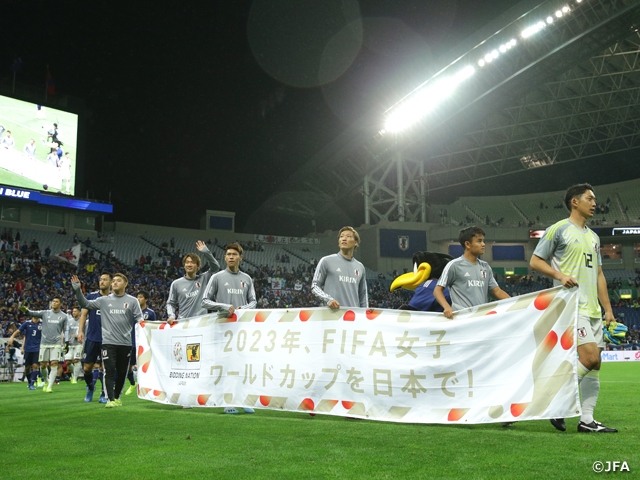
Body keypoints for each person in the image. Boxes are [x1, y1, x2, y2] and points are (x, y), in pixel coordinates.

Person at [530, 183, 617, 433]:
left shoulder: (594, 237)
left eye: (595, 199)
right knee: (589, 357)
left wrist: (607, 309)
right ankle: (556, 401)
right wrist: (558, 275)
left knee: (596, 362)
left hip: (593, 310)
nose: (595, 202)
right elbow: (535, 261)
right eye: (590, 198)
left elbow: (599, 274)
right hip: (571, 305)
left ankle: (587, 420)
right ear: (574, 202)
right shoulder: (558, 230)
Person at [72, 273, 142, 408]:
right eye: (113, 281)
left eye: (118, 281)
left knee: (122, 372)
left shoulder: (133, 301)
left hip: (125, 343)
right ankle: (109, 398)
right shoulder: (103, 300)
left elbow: (140, 319)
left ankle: (116, 397)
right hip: (108, 342)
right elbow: (84, 303)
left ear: (125, 284)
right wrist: (77, 290)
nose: (115, 283)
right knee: (108, 370)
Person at [202, 242, 256, 414]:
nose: (231, 257)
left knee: (243, 364)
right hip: (223, 327)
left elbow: (254, 301)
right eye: (228, 254)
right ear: (224, 257)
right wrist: (224, 306)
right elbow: (205, 301)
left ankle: (243, 399)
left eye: (234, 254)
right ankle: (228, 401)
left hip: (242, 328)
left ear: (240, 257)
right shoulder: (217, 277)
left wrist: (244, 309)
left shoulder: (247, 279)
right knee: (226, 364)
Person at [434, 226, 510, 318]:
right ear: (467, 244)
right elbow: (437, 290)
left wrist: (518, 302)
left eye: (483, 241)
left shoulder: (485, 267)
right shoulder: (454, 265)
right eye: (479, 241)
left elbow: (497, 291)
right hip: (462, 319)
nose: (483, 244)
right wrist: (447, 307)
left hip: (480, 318)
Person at [311, 226, 368, 309]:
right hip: (332, 316)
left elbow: (363, 296)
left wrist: (365, 315)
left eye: (348, 236)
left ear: (356, 242)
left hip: (353, 317)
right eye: (341, 236)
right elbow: (315, 286)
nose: (344, 239)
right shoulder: (326, 261)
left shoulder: (360, 267)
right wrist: (328, 300)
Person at [19, 297, 68, 392]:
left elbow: (66, 330)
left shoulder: (64, 316)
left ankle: (49, 386)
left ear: (60, 304)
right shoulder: (45, 313)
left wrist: (66, 342)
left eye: (56, 301)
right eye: (53, 301)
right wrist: (25, 309)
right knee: (43, 365)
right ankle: (46, 381)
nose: (54, 303)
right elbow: (32, 313)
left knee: (54, 363)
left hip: (56, 344)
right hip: (44, 343)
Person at [77, 272, 112, 403]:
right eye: (100, 279)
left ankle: (104, 394)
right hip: (92, 337)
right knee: (87, 367)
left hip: (108, 339)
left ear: (110, 282)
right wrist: (80, 330)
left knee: (105, 367)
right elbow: (83, 314)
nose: (102, 282)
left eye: (105, 280)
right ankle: (91, 387)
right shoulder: (91, 296)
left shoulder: (114, 298)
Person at [166, 240, 220, 324]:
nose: (189, 265)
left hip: (201, 323)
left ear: (198, 266)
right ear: (184, 266)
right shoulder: (176, 284)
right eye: (187, 262)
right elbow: (170, 303)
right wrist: (171, 315)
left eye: (192, 262)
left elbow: (216, 267)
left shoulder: (204, 278)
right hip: (183, 323)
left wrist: (206, 252)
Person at [124, 291, 156, 396]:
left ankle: (147, 387)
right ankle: (133, 383)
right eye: (137, 297)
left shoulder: (150, 313)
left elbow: (153, 328)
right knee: (127, 366)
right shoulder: (131, 312)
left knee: (146, 366)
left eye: (141, 297)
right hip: (131, 342)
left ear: (146, 299)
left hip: (144, 344)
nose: (138, 299)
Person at [5, 316, 42, 390]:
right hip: (28, 349)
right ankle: (29, 382)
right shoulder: (27, 324)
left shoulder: (42, 324)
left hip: (37, 348)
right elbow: (18, 331)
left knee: (35, 366)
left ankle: (32, 384)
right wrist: (12, 337)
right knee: (27, 368)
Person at [64, 307, 83, 384]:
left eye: (75, 311)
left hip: (79, 344)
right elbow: (67, 332)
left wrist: (78, 336)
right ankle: (74, 374)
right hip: (71, 344)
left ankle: (75, 378)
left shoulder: (82, 321)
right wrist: (67, 340)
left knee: (76, 360)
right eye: (73, 311)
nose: (73, 313)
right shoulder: (69, 321)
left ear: (79, 312)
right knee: (68, 362)